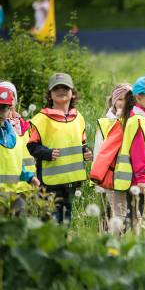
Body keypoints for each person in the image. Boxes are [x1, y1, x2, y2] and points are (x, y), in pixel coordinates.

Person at [28, 73, 93, 224]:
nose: (61, 90)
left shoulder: (79, 118)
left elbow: (81, 143)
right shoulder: (41, 119)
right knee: (50, 222)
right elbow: (31, 146)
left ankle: (62, 246)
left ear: (73, 93)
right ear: (50, 95)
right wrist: (47, 153)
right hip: (49, 182)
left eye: (65, 87)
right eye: (56, 88)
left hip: (72, 181)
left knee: (66, 221)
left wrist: (86, 152)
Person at [114, 76, 145, 230]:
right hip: (137, 180)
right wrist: (143, 178)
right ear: (138, 98)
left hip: (139, 179)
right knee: (134, 216)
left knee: (136, 215)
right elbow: (138, 152)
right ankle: (123, 245)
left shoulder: (143, 117)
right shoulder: (138, 120)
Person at [93, 83, 132, 226]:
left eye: (128, 99)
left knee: (135, 214)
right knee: (119, 215)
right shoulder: (105, 123)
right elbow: (98, 151)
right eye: (120, 99)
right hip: (112, 176)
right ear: (114, 101)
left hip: (131, 176)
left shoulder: (135, 121)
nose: (124, 102)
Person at [0, 86, 40, 216]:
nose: (1, 112)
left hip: (14, 193)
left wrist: (29, 177)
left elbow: (15, 163)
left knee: (19, 230)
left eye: (4, 108)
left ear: (9, 109)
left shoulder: (13, 135)